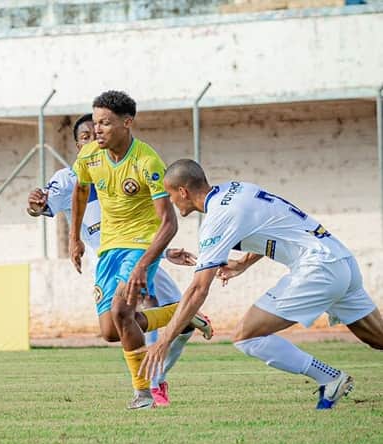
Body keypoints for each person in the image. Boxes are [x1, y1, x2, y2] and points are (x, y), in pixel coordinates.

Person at [140, 158, 383, 409]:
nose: (170, 201)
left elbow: (198, 289)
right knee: (378, 338)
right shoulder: (237, 189)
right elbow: (272, 224)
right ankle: (332, 379)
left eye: (170, 195)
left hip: (318, 269)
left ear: (183, 191)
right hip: (341, 260)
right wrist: (243, 263)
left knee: (246, 336)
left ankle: (331, 378)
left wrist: (164, 340)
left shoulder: (217, 219)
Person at [28, 113, 211, 408]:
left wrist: (164, 251)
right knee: (115, 328)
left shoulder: (128, 166)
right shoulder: (69, 180)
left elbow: (145, 219)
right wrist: (36, 206)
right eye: (85, 137)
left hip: (140, 253)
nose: (94, 140)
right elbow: (41, 205)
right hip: (104, 260)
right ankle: (183, 318)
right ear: (78, 147)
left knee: (145, 320)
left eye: (98, 133)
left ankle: (151, 385)